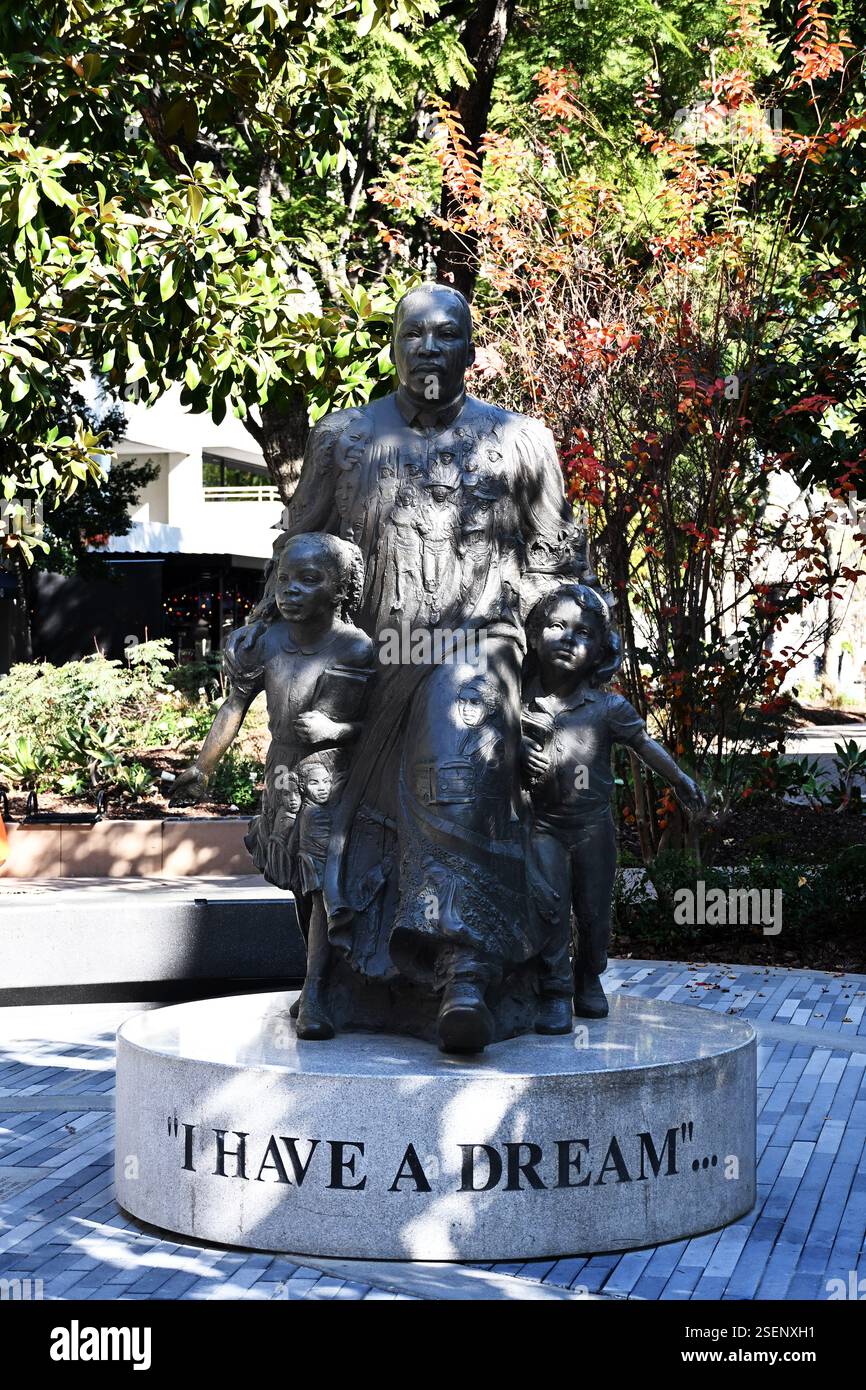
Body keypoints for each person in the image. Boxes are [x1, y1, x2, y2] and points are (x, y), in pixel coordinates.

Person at [250, 283, 592, 1052]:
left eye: (447, 335)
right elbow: (297, 545)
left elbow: (558, 558)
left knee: (458, 741)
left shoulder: (520, 440)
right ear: (394, 346)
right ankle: (349, 971)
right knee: (329, 778)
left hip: (480, 646)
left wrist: (548, 643)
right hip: (370, 654)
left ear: (473, 347)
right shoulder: (343, 438)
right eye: (414, 335)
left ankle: (464, 970)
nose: (430, 349)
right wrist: (265, 638)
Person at [170, 533, 376, 1036]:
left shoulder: (354, 646)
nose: (292, 590)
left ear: (341, 589)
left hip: (332, 779)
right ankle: (316, 981)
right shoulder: (263, 642)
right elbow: (232, 707)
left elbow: (376, 728)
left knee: (325, 883)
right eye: (285, 578)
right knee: (299, 888)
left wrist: (335, 730)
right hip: (282, 777)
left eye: (310, 579)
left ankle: (317, 994)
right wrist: (204, 765)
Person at [521, 583, 705, 1028]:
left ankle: (589, 977)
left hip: (592, 828)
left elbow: (644, 745)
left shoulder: (607, 708)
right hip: (543, 824)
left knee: (594, 913)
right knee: (548, 907)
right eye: (556, 626)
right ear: (534, 634)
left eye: (582, 633)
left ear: (600, 650)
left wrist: (679, 779)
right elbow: (484, 741)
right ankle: (554, 990)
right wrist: (515, 753)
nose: (568, 638)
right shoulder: (517, 700)